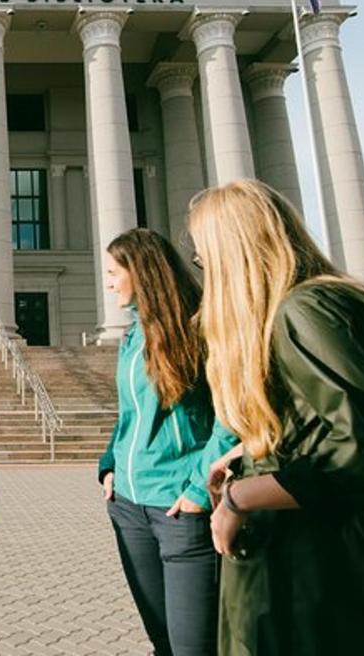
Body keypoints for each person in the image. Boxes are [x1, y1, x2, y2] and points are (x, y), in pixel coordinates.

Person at [188, 179, 364, 654]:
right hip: (295, 557)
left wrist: (240, 497)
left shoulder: (305, 310)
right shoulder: (293, 312)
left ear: (235, 252)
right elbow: (317, 422)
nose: (203, 271)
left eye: (203, 256)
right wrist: (247, 450)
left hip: (314, 569)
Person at [98, 229, 238, 656]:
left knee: (194, 646)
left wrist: (199, 489)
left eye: (113, 272)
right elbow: (129, 415)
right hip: (128, 506)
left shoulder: (200, 329)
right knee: (163, 642)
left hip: (181, 509)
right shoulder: (132, 335)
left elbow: (230, 416)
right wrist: (108, 465)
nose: (108, 282)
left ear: (141, 272)